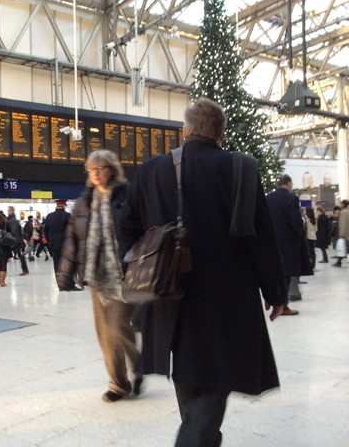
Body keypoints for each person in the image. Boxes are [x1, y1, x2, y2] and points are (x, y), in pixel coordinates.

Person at [118, 98, 286, 447]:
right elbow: (262, 238)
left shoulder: (152, 170)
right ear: (221, 133)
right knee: (215, 379)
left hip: (167, 293)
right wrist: (276, 293)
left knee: (189, 373)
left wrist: (141, 266)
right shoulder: (242, 168)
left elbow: (125, 228)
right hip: (228, 296)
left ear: (185, 131)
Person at [58, 149, 140, 402]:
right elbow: (73, 238)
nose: (95, 173)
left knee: (118, 328)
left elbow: (142, 230)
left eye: (100, 168)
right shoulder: (83, 202)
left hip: (123, 274)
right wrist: (65, 273)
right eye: (91, 169)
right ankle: (118, 384)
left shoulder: (128, 197)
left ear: (112, 169)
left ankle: (138, 367)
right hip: (97, 275)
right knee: (105, 334)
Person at [266, 175, 307, 315]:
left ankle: (273, 299)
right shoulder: (291, 198)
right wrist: (299, 233)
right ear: (289, 184)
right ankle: (283, 306)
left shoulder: (268, 198)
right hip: (288, 243)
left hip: (271, 242)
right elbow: (295, 221)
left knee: (275, 272)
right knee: (287, 274)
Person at [44, 200, 72, 284]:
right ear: (63, 205)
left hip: (53, 243)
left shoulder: (49, 216)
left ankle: (59, 283)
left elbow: (45, 231)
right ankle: (67, 282)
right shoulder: (67, 216)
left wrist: (50, 241)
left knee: (56, 263)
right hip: (64, 244)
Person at [7, 206, 29, 276]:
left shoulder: (13, 220)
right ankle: (25, 269)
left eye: (9, 211)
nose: (8, 212)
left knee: (19, 255)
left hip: (15, 241)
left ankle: (25, 270)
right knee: (7, 254)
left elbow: (14, 231)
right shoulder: (11, 220)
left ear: (12, 211)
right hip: (15, 240)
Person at [332, 200, 349, 267]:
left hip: (346, 234)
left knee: (343, 248)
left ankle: (339, 262)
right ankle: (339, 261)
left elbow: (343, 224)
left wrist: (342, 234)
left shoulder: (343, 212)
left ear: (343, 204)